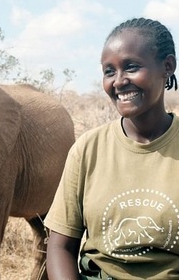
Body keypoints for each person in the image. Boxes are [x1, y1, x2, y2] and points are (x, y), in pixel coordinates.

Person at [44, 17, 179, 280]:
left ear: (168, 66)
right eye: (109, 71)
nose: (118, 81)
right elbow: (60, 246)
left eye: (131, 67)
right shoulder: (88, 149)